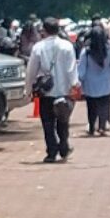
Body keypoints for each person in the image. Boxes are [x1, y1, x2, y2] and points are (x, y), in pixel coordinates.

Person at [25, 17, 75, 163]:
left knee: (47, 123)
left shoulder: (38, 47)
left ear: (44, 31)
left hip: (46, 92)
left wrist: (28, 89)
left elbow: (31, 70)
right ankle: (64, 146)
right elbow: (72, 68)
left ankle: (51, 152)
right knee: (63, 121)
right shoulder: (67, 46)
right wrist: (74, 85)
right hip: (64, 90)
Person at [76, 23, 110, 137]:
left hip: (90, 84)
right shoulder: (109, 49)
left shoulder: (86, 51)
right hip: (106, 82)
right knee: (104, 105)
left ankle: (91, 127)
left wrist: (79, 80)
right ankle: (102, 126)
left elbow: (82, 68)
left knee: (91, 107)